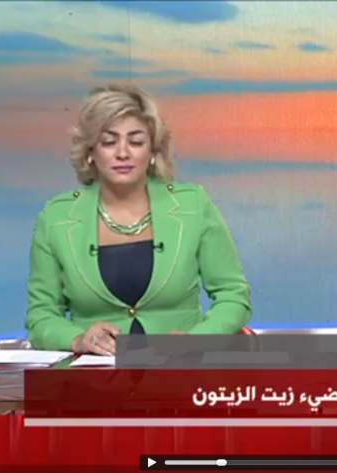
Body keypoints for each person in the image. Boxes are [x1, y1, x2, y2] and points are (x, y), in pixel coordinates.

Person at [25, 84, 252, 354]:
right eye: (109, 142)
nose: (123, 153)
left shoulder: (192, 205)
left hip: (180, 368)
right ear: (91, 151)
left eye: (135, 142)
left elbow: (233, 295)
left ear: (153, 150)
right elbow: (41, 315)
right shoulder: (56, 218)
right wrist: (77, 340)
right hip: (94, 373)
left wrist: (197, 339)